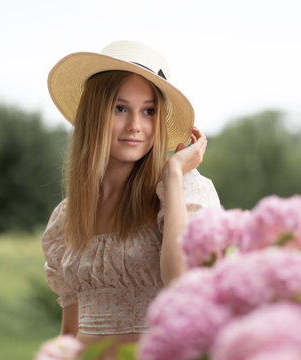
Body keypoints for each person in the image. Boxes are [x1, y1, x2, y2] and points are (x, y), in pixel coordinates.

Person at [41, 40, 220, 358]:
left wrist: (174, 173)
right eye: (120, 108)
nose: (136, 126)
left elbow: (182, 283)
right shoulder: (67, 216)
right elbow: (69, 334)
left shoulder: (183, 192)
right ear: (95, 113)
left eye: (149, 111)